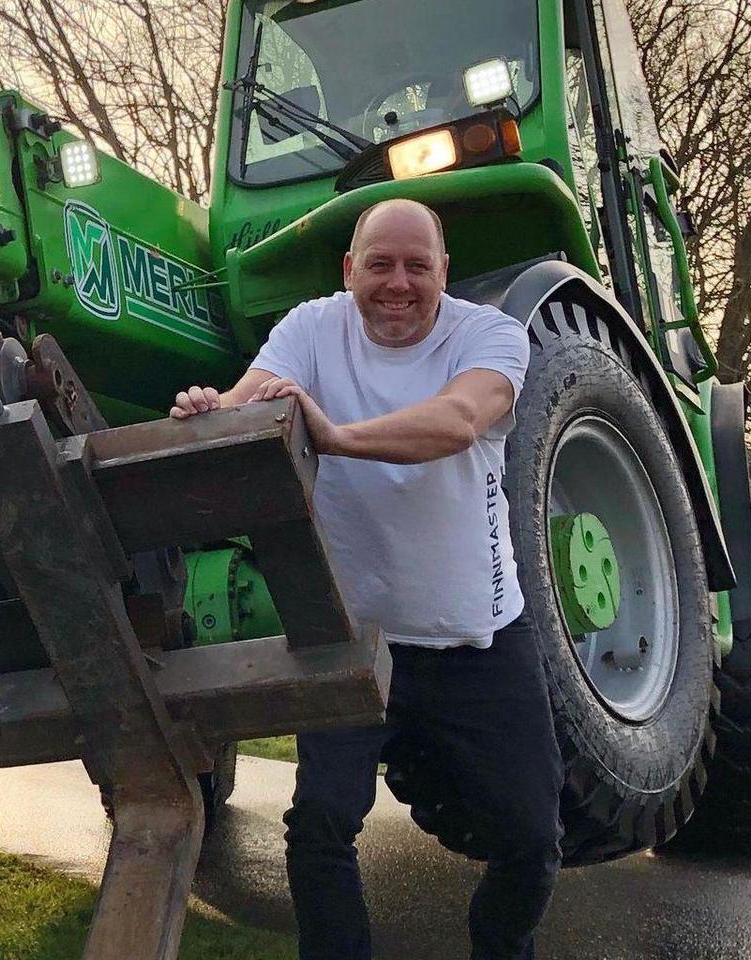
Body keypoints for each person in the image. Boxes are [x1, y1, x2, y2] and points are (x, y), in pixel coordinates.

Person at [170, 199, 561, 960]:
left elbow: (454, 421)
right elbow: (252, 400)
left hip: (476, 637)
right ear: (350, 268)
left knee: (532, 838)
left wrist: (338, 438)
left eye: (418, 265)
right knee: (319, 825)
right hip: (353, 638)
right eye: (380, 263)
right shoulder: (313, 327)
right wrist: (211, 409)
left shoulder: (490, 335)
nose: (399, 282)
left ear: (444, 272)